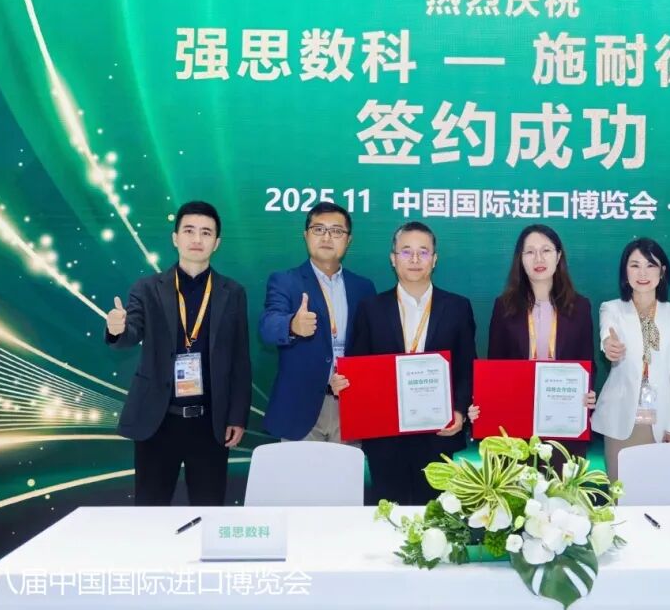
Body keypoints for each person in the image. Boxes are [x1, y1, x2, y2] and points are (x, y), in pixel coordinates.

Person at [105, 201, 251, 505]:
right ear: (175, 238)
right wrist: (117, 329)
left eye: (206, 233)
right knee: (150, 510)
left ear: (217, 242)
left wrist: (237, 416)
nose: (197, 239)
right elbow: (131, 333)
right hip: (158, 420)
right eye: (189, 231)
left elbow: (240, 359)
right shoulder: (147, 288)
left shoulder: (233, 292)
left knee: (209, 511)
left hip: (210, 423)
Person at [347, 221, 476, 505]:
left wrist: (459, 411)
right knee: (388, 516)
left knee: (435, 516)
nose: (415, 259)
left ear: (434, 259)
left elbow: (467, 367)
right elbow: (358, 367)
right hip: (385, 436)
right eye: (406, 251)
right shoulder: (371, 308)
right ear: (393, 259)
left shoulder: (457, 307)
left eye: (423, 252)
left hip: (438, 432)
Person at [467, 225, 597, 469]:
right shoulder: (504, 306)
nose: (538, 259)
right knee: (519, 489)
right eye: (530, 252)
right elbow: (496, 367)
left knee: (559, 489)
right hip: (515, 421)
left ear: (558, 256)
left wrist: (588, 393)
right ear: (521, 259)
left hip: (564, 420)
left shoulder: (580, 307)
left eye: (546, 250)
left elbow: (587, 363)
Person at [260, 202, 376, 443]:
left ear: (348, 240)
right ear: (306, 235)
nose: (327, 237)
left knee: (345, 469)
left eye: (336, 231)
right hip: (299, 408)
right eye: (319, 229)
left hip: (349, 405)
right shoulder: (285, 281)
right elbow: (268, 326)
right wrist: (292, 325)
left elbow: (370, 345)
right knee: (300, 470)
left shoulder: (363, 287)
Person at [591, 238, 670, 482]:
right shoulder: (612, 309)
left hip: (661, 420)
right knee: (620, 494)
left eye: (650, 265)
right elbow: (607, 335)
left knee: (658, 492)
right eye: (635, 265)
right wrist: (609, 346)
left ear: (662, 271)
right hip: (620, 420)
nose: (642, 273)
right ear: (625, 272)